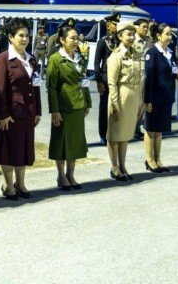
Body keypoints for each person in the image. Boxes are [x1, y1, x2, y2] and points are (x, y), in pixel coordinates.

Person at [0, 18, 42, 200]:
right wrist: (3, 114)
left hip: (28, 113)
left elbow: (35, 86)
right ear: (10, 37)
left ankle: (20, 184)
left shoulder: (31, 59)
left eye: (27, 35)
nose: (24, 39)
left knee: (24, 149)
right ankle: (8, 185)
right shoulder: (3, 59)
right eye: (20, 35)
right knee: (9, 149)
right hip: (11, 114)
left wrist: (38, 110)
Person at [47, 25, 91, 190]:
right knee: (61, 143)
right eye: (72, 38)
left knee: (74, 143)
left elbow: (84, 81)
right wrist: (55, 110)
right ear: (62, 40)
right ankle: (61, 176)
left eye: (77, 38)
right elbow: (51, 87)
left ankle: (71, 175)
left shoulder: (79, 58)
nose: (76, 41)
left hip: (78, 106)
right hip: (64, 107)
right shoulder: (56, 59)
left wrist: (87, 102)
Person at [107, 21, 142, 181]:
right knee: (115, 134)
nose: (132, 37)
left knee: (125, 134)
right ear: (120, 36)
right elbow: (112, 83)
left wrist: (140, 101)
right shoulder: (116, 56)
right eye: (128, 34)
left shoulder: (135, 54)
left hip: (133, 97)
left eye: (133, 34)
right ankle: (114, 167)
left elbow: (139, 80)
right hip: (121, 97)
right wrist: (115, 104)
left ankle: (122, 165)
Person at [143, 23, 178, 173]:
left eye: (171, 34)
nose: (170, 37)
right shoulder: (152, 53)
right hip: (154, 97)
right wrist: (147, 99)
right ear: (158, 35)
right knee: (151, 129)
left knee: (159, 130)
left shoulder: (171, 53)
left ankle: (158, 159)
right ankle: (149, 159)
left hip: (166, 97)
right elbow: (148, 78)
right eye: (167, 34)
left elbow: (174, 73)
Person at [94, 13, 120, 144]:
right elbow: (96, 63)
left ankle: (115, 133)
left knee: (117, 107)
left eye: (117, 24)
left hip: (118, 79)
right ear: (108, 25)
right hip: (105, 78)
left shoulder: (120, 41)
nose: (116, 26)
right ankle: (103, 134)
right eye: (114, 24)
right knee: (104, 108)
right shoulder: (103, 41)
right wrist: (99, 81)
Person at [132, 18, 153, 140]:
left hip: (147, 74)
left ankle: (136, 128)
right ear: (136, 27)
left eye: (147, 27)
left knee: (144, 103)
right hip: (136, 75)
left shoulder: (148, 41)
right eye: (143, 27)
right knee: (137, 104)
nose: (145, 29)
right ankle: (131, 128)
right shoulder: (132, 40)